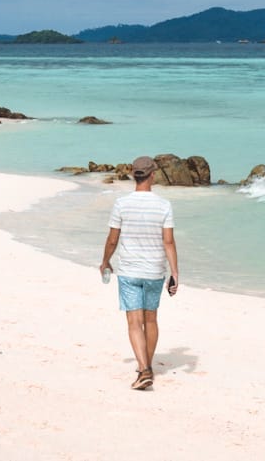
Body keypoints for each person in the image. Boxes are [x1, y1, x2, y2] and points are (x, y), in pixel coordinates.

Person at [100, 155, 179, 390]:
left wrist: (105, 261)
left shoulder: (121, 204)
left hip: (129, 270)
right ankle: (147, 367)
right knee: (151, 318)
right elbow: (169, 242)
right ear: (153, 175)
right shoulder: (164, 205)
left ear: (133, 175)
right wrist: (175, 272)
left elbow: (113, 239)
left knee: (134, 321)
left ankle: (144, 369)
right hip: (155, 269)